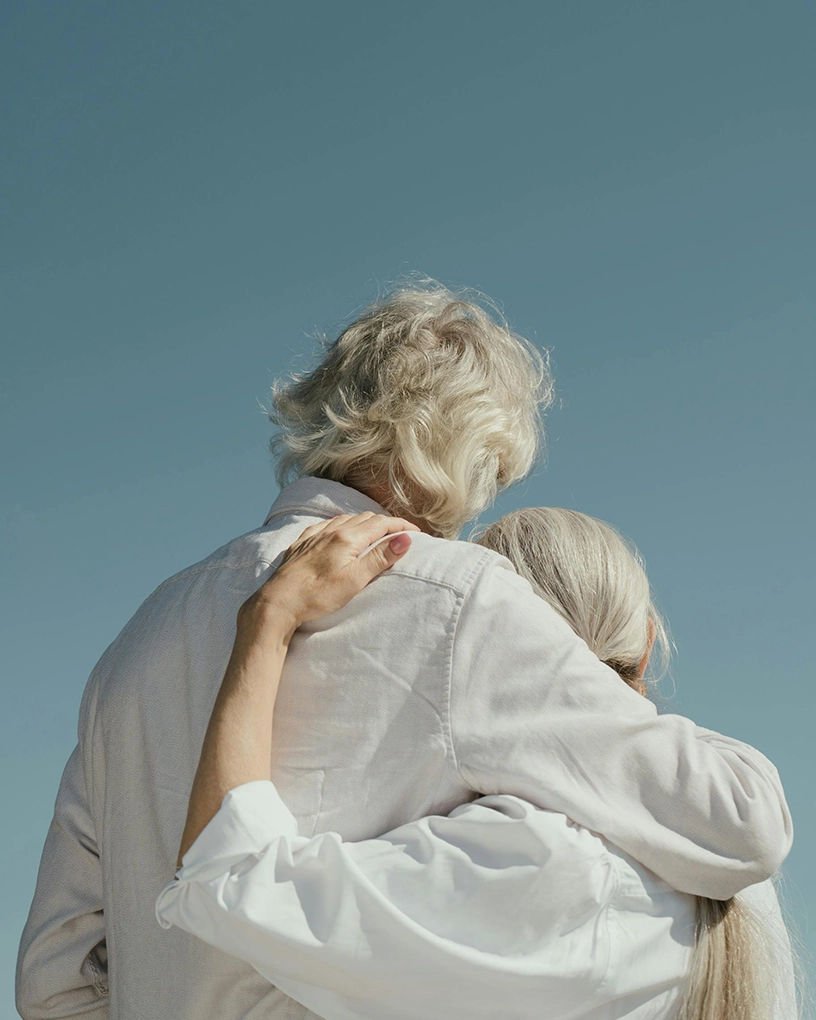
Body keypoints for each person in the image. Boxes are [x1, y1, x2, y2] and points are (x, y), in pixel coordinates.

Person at [17, 281, 792, 1020]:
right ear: (481, 460)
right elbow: (741, 820)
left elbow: (54, 982)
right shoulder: (464, 601)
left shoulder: (135, 645)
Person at [155, 510, 798, 1020]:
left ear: (510, 642)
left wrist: (269, 619)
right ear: (650, 643)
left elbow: (228, 877)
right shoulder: (743, 878)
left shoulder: (532, 857)